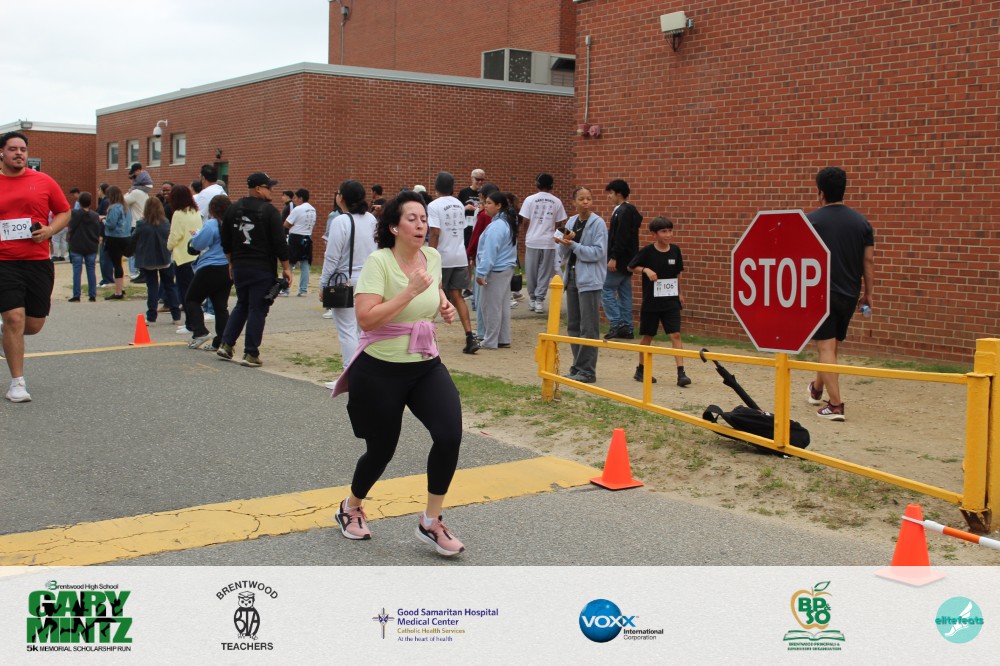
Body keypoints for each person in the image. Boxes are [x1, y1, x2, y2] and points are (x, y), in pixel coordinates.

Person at [330, 190, 465, 557]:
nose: (421, 225)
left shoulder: (432, 256)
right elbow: (366, 319)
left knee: (449, 434)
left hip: (425, 365)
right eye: (412, 219)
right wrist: (409, 292)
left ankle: (431, 521)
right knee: (381, 451)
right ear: (394, 226)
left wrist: (443, 304)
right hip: (379, 371)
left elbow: (434, 286)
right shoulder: (379, 262)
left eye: (424, 219)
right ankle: (351, 506)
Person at [0, 131, 71, 402]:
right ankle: (17, 384)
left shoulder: (43, 181)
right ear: (2, 152)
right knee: (14, 317)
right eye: (13, 149)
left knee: (33, 324)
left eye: (23, 149)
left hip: (37, 261)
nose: (19, 153)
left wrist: (50, 230)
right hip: (4, 261)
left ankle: (5, 334)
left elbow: (64, 211)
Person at [806, 166, 875, 421]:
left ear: (821, 193)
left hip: (820, 293)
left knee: (825, 346)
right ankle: (817, 388)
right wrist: (868, 294)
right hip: (849, 293)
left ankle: (835, 406)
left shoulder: (810, 221)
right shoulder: (862, 223)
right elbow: (868, 261)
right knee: (830, 344)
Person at [217, 172, 291, 367]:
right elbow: (279, 242)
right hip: (261, 268)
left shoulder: (233, 209)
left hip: (240, 266)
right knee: (257, 309)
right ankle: (251, 353)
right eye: (269, 187)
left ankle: (226, 344)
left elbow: (225, 240)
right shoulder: (270, 212)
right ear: (258, 189)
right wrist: (286, 267)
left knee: (242, 304)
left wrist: (231, 263)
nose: (271, 191)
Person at [319, 180, 377, 367]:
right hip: (370, 279)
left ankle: (350, 372)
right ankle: (364, 370)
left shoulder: (341, 221)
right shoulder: (371, 219)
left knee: (347, 330)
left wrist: (323, 284)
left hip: (346, 280)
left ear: (341, 197)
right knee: (363, 330)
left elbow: (331, 257)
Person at [628, 217, 692, 387]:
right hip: (652, 301)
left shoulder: (675, 251)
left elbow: (677, 273)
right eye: (664, 231)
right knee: (648, 336)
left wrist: (680, 293)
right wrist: (645, 270)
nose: (668, 234)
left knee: (675, 334)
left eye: (670, 230)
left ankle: (681, 373)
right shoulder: (647, 251)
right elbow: (630, 266)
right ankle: (641, 369)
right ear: (654, 234)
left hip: (671, 300)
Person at [555, 187, 607, 384]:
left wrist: (574, 245)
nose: (585, 202)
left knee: (589, 327)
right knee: (574, 325)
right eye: (581, 199)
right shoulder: (571, 222)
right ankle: (577, 366)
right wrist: (562, 242)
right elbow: (563, 253)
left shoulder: (598, 223)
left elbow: (597, 253)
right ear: (574, 202)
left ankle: (587, 370)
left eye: (589, 199)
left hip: (590, 280)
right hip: (572, 276)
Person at [427, 171, 479, 354]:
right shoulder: (458, 204)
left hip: (442, 257)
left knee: (433, 296)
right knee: (457, 296)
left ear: (436, 186)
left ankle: (427, 337)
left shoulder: (433, 206)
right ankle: (469, 336)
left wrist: (430, 255)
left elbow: (435, 232)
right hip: (459, 256)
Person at [185, 194, 233, 350]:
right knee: (220, 306)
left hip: (210, 266)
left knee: (192, 299)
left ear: (212, 209)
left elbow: (198, 244)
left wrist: (195, 237)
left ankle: (200, 332)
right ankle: (223, 341)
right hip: (228, 267)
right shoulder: (232, 224)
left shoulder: (213, 223)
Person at [475, 191, 518, 349]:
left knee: (490, 306)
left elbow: (489, 252)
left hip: (496, 270)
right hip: (505, 268)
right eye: (485, 202)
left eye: (489, 203)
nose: (485, 206)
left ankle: (490, 340)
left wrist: (481, 272)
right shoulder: (506, 223)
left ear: (498, 206)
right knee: (502, 305)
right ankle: (503, 338)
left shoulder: (497, 226)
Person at [519, 172, 567, 313]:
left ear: (537, 184)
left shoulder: (529, 200)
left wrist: (527, 234)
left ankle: (532, 299)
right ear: (552, 185)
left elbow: (525, 220)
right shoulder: (557, 201)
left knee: (531, 271)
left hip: (532, 240)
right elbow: (559, 223)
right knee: (544, 272)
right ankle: (539, 300)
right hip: (548, 241)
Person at [602, 179, 642, 340]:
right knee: (625, 292)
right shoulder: (630, 211)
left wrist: (614, 257)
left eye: (611, 193)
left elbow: (620, 237)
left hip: (620, 259)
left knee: (606, 289)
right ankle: (628, 326)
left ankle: (617, 324)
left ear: (618, 194)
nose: (609, 196)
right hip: (629, 260)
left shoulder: (622, 212)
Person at [133, 196, 181, 326]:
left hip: (148, 259)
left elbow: (134, 237)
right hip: (164, 257)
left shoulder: (142, 224)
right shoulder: (165, 222)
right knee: (170, 286)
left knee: (152, 287)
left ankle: (151, 317)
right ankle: (176, 316)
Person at [166, 185, 203, 333]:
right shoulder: (195, 212)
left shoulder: (178, 214)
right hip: (195, 255)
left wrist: (168, 246)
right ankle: (191, 322)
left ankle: (190, 324)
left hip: (182, 257)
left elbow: (175, 235)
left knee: (184, 292)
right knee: (193, 292)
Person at [66, 191, 102, 302]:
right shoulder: (95, 215)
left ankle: (76, 295)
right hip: (91, 245)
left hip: (77, 245)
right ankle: (92, 294)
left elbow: (71, 227)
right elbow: (97, 230)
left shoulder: (74, 214)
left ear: (79, 202)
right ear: (90, 202)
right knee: (91, 270)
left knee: (77, 271)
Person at [284, 188, 316, 296]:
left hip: (296, 237)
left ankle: (285, 289)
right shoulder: (313, 209)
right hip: (307, 237)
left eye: (295, 198)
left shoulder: (297, 209)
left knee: (289, 263)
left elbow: (286, 224)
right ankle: (303, 290)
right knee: (305, 264)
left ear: (300, 198)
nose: (294, 200)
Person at [101, 185, 131, 299]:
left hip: (114, 238)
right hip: (125, 236)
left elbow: (111, 224)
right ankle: (121, 287)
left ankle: (118, 292)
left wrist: (103, 220)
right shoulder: (126, 207)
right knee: (119, 264)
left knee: (116, 264)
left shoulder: (114, 207)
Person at [125, 163, 152, 282]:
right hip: (142, 222)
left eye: (132, 179)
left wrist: (128, 192)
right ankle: (142, 273)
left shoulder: (135, 193)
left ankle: (141, 273)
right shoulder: (145, 193)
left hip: (135, 224)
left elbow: (124, 201)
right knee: (141, 249)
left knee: (137, 250)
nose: (131, 182)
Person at [457, 168, 486, 249]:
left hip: (479, 224)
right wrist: (465, 208)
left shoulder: (484, 193)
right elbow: (457, 209)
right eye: (477, 179)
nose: (480, 182)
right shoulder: (464, 192)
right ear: (472, 178)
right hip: (466, 226)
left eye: (482, 180)